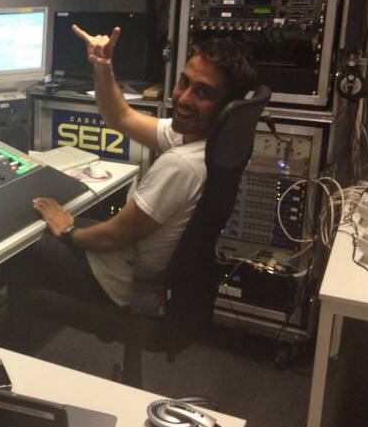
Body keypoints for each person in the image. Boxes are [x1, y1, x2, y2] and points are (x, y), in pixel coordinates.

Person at [20, 27, 257, 309]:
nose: (184, 98)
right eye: (184, 82)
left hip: (122, 283)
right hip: (141, 268)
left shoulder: (182, 165)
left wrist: (68, 231)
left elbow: (111, 238)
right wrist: (103, 66)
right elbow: (120, 116)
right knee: (53, 224)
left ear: (228, 106)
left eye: (203, 92)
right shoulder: (207, 141)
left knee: (20, 247)